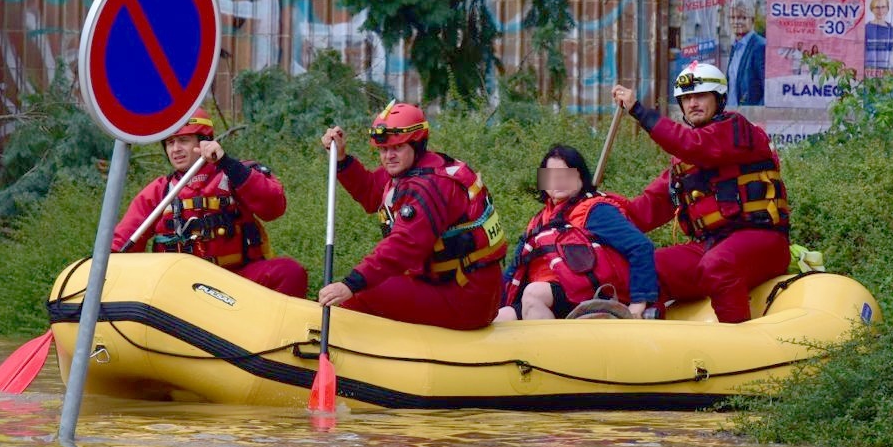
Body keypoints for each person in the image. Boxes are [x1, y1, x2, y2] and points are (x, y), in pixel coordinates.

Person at [610, 62, 791, 323]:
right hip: (708, 246)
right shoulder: (682, 165)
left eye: (701, 96)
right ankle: (650, 342)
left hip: (762, 242)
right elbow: (644, 211)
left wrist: (639, 111)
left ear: (719, 100)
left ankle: (736, 343)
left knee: (718, 264)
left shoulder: (737, 130)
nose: (693, 103)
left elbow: (694, 145)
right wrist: (593, 209)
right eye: (686, 98)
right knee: (645, 268)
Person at [316, 101, 507, 330]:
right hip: (453, 287)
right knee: (370, 286)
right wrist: (342, 160)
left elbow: (403, 246)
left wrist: (350, 284)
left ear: (417, 144)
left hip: (466, 299)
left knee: (363, 292)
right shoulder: (415, 169)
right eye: (384, 150)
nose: (389, 156)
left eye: (397, 148)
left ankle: (340, 345)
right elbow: (371, 193)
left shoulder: (428, 186)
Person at [112, 108, 309, 297]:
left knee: (289, 272)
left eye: (183, 140)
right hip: (182, 289)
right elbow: (121, 244)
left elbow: (274, 207)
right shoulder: (158, 191)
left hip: (237, 280)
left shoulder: (236, 172)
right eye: (170, 143)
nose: (176, 149)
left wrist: (227, 163)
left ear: (204, 142)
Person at [495, 145, 658, 321]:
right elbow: (513, 271)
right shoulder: (539, 221)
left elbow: (640, 246)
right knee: (500, 317)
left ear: (580, 177)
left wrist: (639, 302)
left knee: (534, 294)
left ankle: (550, 349)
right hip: (551, 296)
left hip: (591, 296)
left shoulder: (597, 211)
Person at [725, 2, 766, 105]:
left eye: (742, 18)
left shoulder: (760, 46)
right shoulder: (735, 47)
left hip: (750, 117)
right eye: (732, 17)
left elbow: (768, 91)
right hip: (733, 114)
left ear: (752, 20)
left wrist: (757, 116)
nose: (736, 22)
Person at [864, 0, 893, 70]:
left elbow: (892, 50)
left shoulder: (891, 28)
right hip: (870, 68)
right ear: (872, 9)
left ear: (887, 9)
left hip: (886, 69)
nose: (880, 11)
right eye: (877, 7)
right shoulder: (866, 28)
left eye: (883, 7)